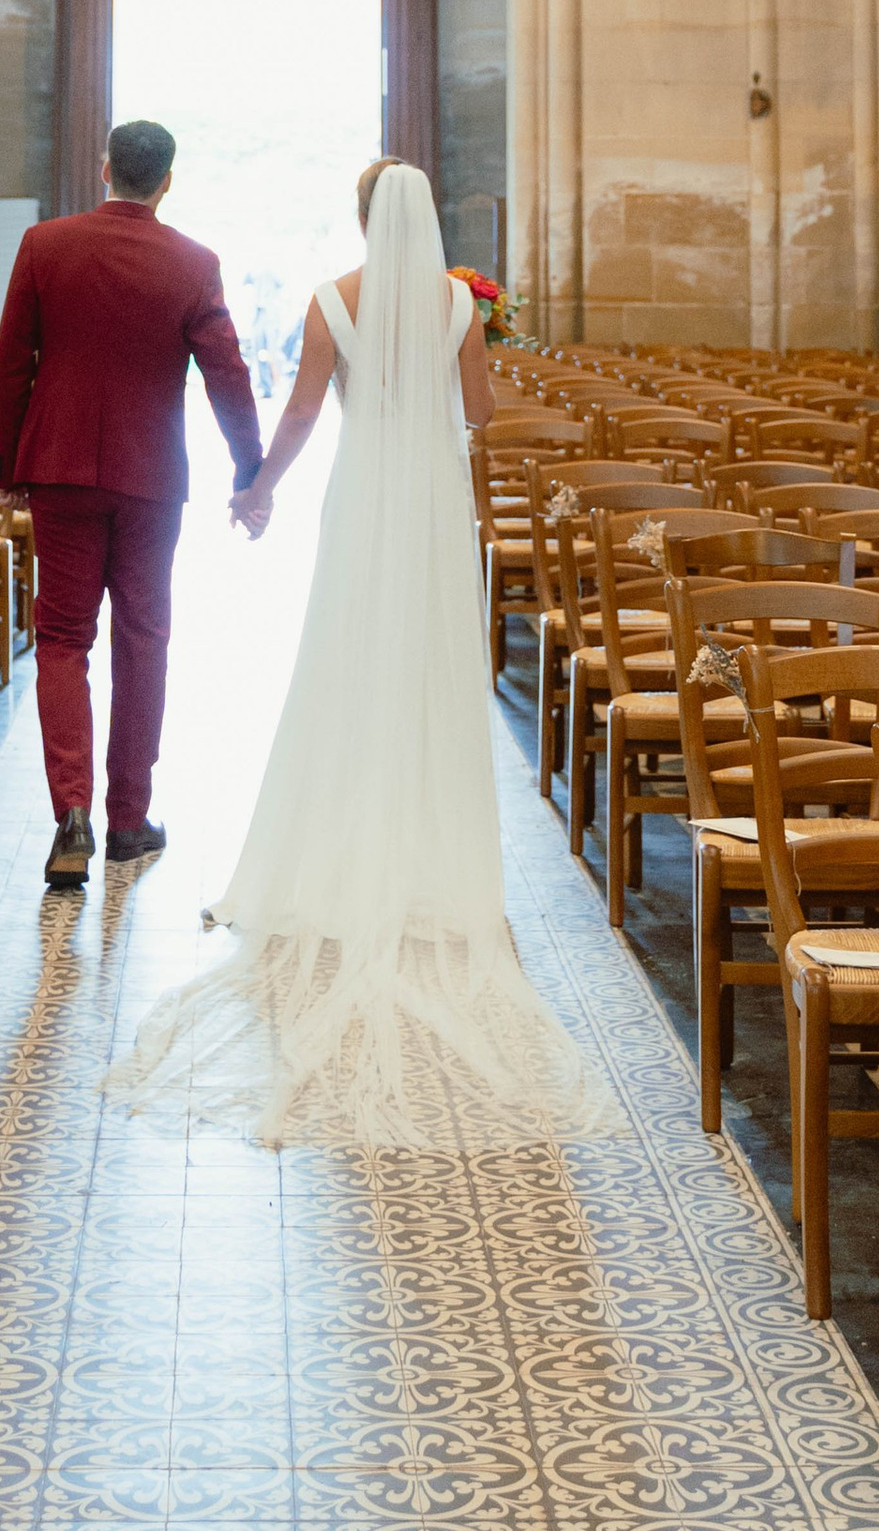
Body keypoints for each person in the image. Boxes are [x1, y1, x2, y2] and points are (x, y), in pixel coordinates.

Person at [104, 157, 617, 1153]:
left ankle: (336, 853)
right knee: (429, 671)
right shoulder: (459, 305)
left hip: (362, 497)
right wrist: (467, 342)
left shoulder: (329, 302)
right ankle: (428, 855)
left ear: (360, 217)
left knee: (344, 665)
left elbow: (298, 411)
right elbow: (480, 416)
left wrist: (258, 487)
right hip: (429, 503)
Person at [0, 115, 263, 892]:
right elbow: (227, 374)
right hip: (151, 476)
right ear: (167, 181)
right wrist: (250, 467)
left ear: (105, 169)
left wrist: (10, 460)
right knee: (143, 638)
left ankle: (69, 811)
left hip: (61, 469)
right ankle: (127, 819)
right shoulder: (193, 262)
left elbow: (11, 365)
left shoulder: (46, 246)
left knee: (62, 640)